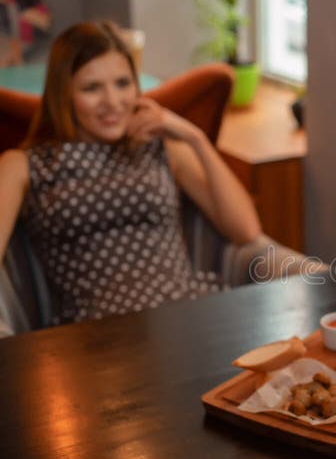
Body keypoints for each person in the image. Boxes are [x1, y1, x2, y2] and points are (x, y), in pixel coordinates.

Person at [0, 21, 295, 327]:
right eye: (91, 88)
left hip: (191, 318)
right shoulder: (23, 164)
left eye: (123, 84)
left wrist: (193, 136)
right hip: (96, 343)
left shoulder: (162, 148)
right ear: (63, 95)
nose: (113, 102)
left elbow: (246, 231)